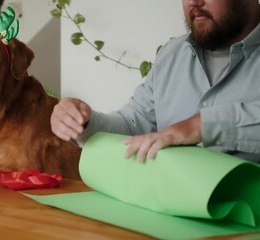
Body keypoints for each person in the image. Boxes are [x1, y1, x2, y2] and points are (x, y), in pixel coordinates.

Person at [50, 0, 260, 163]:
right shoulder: (172, 54)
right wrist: (83, 121)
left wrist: (200, 126)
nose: (193, 2)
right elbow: (133, 124)